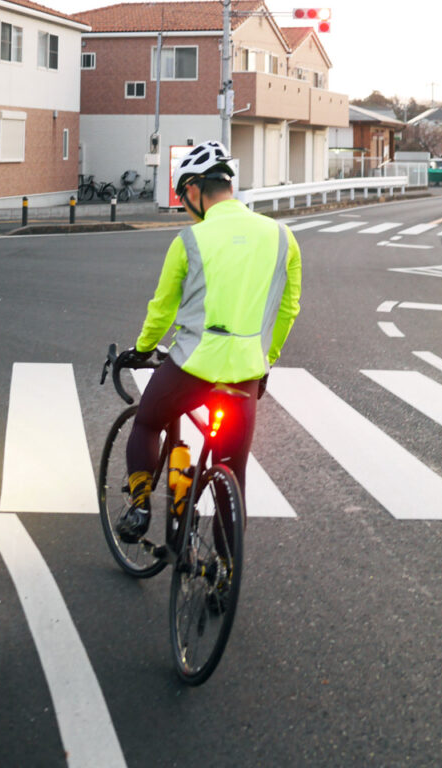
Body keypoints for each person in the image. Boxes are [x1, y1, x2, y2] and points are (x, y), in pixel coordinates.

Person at [115, 140, 302, 543]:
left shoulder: (189, 241)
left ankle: (140, 506)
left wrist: (144, 349)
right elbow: (287, 311)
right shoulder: (283, 238)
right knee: (232, 476)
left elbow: (162, 310)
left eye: (184, 196)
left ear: (196, 190)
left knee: (147, 422)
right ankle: (222, 578)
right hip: (247, 371)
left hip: (192, 367)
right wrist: (265, 361)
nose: (185, 206)